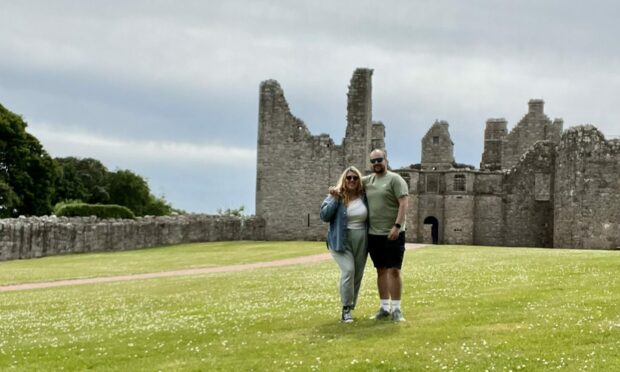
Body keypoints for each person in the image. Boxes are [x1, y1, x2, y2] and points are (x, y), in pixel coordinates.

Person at [364, 149, 409, 322]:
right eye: (373, 161)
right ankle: (384, 308)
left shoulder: (395, 179)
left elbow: (404, 203)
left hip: (393, 233)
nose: (376, 164)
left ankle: (397, 309)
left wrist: (397, 226)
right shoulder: (368, 180)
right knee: (381, 270)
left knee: (394, 270)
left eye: (379, 160)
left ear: (386, 160)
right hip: (374, 234)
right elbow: (350, 182)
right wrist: (335, 189)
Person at [320, 166, 368, 323]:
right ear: (344, 180)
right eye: (349, 178)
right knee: (348, 270)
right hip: (340, 239)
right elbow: (325, 216)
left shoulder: (364, 196)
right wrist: (334, 199)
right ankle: (346, 309)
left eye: (355, 177)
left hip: (362, 239)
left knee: (357, 274)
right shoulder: (335, 195)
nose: (352, 180)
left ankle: (350, 308)